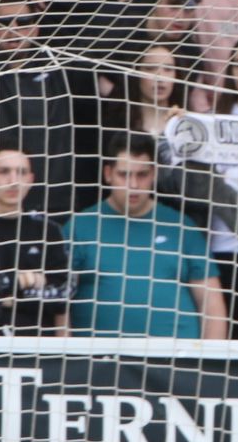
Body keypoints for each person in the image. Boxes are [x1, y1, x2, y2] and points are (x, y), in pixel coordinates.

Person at [66, 132, 229, 339]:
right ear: (108, 174)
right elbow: (59, 301)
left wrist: (208, 366)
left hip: (176, 362)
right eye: (124, 175)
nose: (133, 185)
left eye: (142, 175)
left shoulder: (180, 226)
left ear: (153, 174)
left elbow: (212, 305)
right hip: (97, 364)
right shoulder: (81, 226)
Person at [0, 146, 72, 336]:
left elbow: (61, 300)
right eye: (4, 172)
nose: (13, 181)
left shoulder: (48, 231)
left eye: (21, 173)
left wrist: (9, 293)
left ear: (30, 180)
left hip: (39, 349)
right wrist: (28, 281)